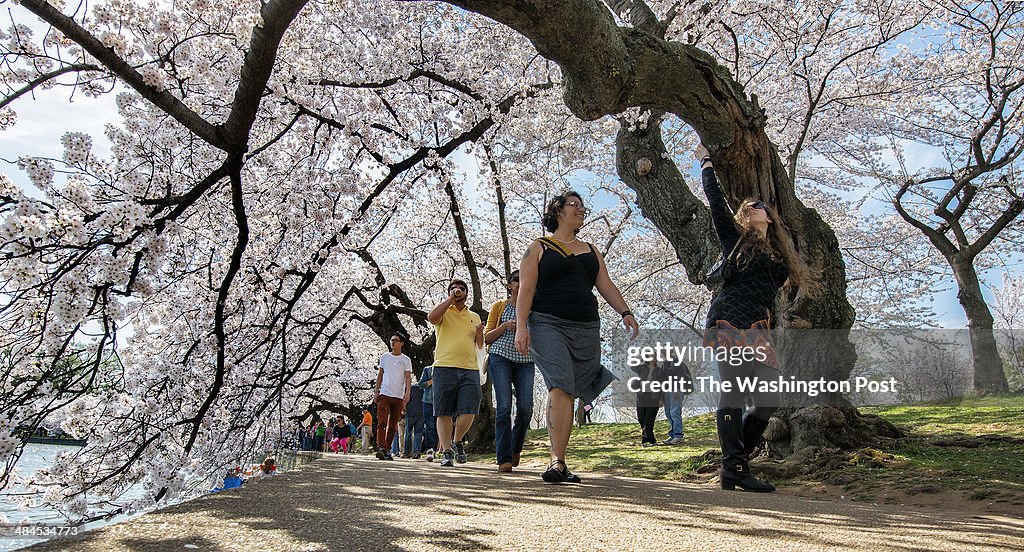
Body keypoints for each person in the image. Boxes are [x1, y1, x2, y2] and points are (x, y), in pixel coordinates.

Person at [695, 143, 818, 493]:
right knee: (733, 393)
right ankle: (734, 467)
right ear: (744, 217)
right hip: (730, 320)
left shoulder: (780, 256)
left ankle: (736, 463)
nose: (757, 207)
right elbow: (717, 205)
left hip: (760, 330)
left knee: (768, 399)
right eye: (751, 207)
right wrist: (706, 162)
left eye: (761, 205)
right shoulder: (735, 239)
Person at [516, 190, 640, 483]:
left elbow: (605, 284)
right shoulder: (538, 248)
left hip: (585, 326)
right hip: (547, 323)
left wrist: (625, 312)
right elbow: (526, 290)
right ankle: (556, 461)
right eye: (575, 205)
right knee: (560, 383)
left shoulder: (591, 249)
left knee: (570, 390)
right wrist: (522, 325)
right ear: (558, 210)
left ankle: (562, 458)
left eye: (583, 206)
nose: (581, 209)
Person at [426, 278, 484, 468]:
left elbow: (479, 344)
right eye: (453, 288)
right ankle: (447, 451)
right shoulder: (444, 312)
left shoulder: (474, 316)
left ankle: (457, 441)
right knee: (443, 410)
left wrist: (480, 333)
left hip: (470, 368)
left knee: (470, 409)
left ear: (467, 294)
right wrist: (449, 300)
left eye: (461, 288)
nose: (457, 290)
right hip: (444, 366)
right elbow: (431, 318)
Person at [485, 270, 534, 473]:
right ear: (509, 285)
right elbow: (487, 338)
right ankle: (503, 458)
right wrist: (505, 326)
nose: (521, 283)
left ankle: (515, 447)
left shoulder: (535, 309)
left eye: (526, 279)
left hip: (526, 360)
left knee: (525, 408)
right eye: (517, 280)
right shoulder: (500, 306)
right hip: (500, 358)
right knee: (504, 406)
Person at [374, 332, 413, 461]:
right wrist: (376, 391)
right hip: (384, 393)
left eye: (396, 340)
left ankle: (387, 449)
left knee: (393, 425)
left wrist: (407, 394)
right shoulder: (384, 357)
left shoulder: (406, 360)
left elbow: (408, 377)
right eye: (392, 340)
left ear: (402, 343)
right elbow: (380, 374)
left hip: (397, 396)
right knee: (382, 422)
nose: (393, 342)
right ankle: (381, 447)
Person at [661, 361, 692, 445]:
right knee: (668, 413)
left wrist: (677, 388)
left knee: (675, 412)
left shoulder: (677, 362)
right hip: (666, 391)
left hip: (675, 390)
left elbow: (681, 375)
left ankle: (678, 436)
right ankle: (672, 435)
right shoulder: (664, 365)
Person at [633, 359, 662, 448]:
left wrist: (661, 399)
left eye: (654, 355)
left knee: (649, 419)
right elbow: (632, 365)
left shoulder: (659, 370)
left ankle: (646, 440)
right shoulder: (642, 368)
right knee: (641, 418)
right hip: (641, 396)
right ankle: (651, 439)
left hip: (654, 397)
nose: (653, 357)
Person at [418, 365, 438, 461]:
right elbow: (420, 385)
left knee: (439, 427)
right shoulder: (427, 369)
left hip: (440, 402)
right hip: (428, 402)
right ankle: (430, 450)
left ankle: (436, 450)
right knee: (430, 426)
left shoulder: (446, 369)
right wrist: (431, 381)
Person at [404, 384, 425, 459]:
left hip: (410, 412)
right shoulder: (423, 389)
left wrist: (403, 409)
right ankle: (417, 451)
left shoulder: (409, 389)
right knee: (418, 433)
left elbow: (405, 400)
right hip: (421, 413)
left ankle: (407, 452)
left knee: (408, 433)